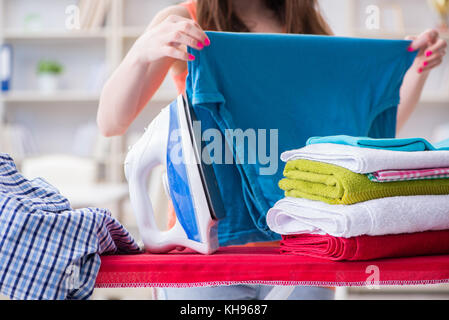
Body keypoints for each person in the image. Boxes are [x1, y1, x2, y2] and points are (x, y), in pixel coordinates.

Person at [97, 0, 447, 300]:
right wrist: (144, 49)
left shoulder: (311, 32)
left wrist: (413, 70)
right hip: (206, 247)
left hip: (304, 245)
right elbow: (111, 121)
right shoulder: (186, 18)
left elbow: (352, 144)